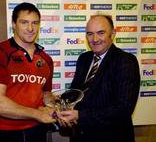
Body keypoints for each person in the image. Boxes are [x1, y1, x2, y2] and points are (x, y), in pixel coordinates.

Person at [58, 14, 140, 142]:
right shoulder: (84, 59)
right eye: (90, 34)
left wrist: (80, 116)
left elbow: (123, 109)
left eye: (101, 33)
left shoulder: (125, 61)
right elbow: (75, 94)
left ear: (112, 34)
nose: (95, 39)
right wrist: (60, 107)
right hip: (81, 136)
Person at [0, 2, 56, 142]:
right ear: (14, 24)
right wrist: (38, 114)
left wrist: (58, 108)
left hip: (37, 131)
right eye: (24, 22)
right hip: (5, 133)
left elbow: (46, 95)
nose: (30, 28)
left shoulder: (46, 59)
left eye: (35, 23)